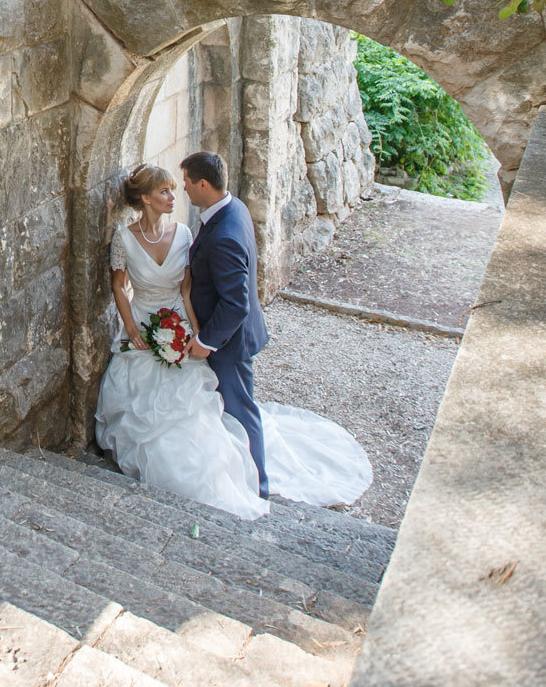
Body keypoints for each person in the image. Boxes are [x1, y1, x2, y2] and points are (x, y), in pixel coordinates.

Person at [93, 156, 372, 518]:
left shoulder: (192, 233)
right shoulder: (225, 212)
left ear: (202, 185)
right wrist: (132, 328)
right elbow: (121, 286)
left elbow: (198, 292)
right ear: (146, 198)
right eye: (166, 191)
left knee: (230, 408)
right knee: (222, 404)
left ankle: (256, 484)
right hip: (147, 321)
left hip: (195, 329)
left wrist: (198, 337)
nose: (178, 195)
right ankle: (243, 476)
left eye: (183, 185)